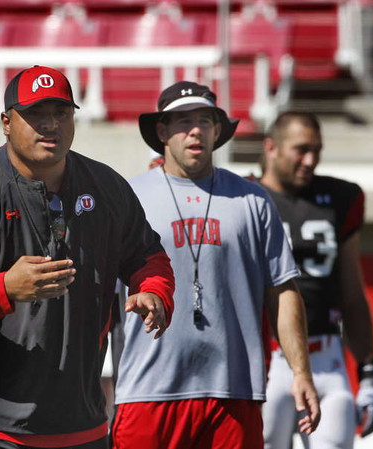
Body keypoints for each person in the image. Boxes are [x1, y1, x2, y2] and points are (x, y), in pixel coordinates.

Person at [0, 65, 175, 449]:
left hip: (80, 421)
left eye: (61, 113)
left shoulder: (107, 186)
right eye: (35, 114)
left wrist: (153, 290)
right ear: (6, 122)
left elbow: (147, 255)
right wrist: (3, 288)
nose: (50, 124)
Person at [110, 81, 321, 449]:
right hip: (146, 390)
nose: (195, 130)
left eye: (205, 120)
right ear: (161, 131)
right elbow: (99, 298)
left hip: (234, 392)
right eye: (182, 120)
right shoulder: (128, 197)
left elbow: (283, 291)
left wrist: (301, 372)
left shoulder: (252, 199)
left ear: (218, 130)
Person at [258, 111, 373, 449]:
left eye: (317, 150)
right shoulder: (244, 197)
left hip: (326, 356)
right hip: (266, 356)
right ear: (271, 147)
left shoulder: (340, 199)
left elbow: (351, 290)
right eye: (301, 149)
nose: (310, 160)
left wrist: (369, 368)